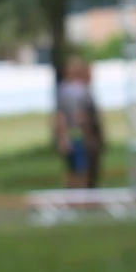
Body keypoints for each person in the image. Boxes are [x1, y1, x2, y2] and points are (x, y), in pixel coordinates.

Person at [54, 56, 103, 189]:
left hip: (71, 135)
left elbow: (60, 117)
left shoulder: (63, 90)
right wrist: (90, 137)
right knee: (83, 171)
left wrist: (62, 137)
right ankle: (82, 200)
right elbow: (80, 117)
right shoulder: (81, 91)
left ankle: (73, 198)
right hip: (81, 136)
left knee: (73, 169)